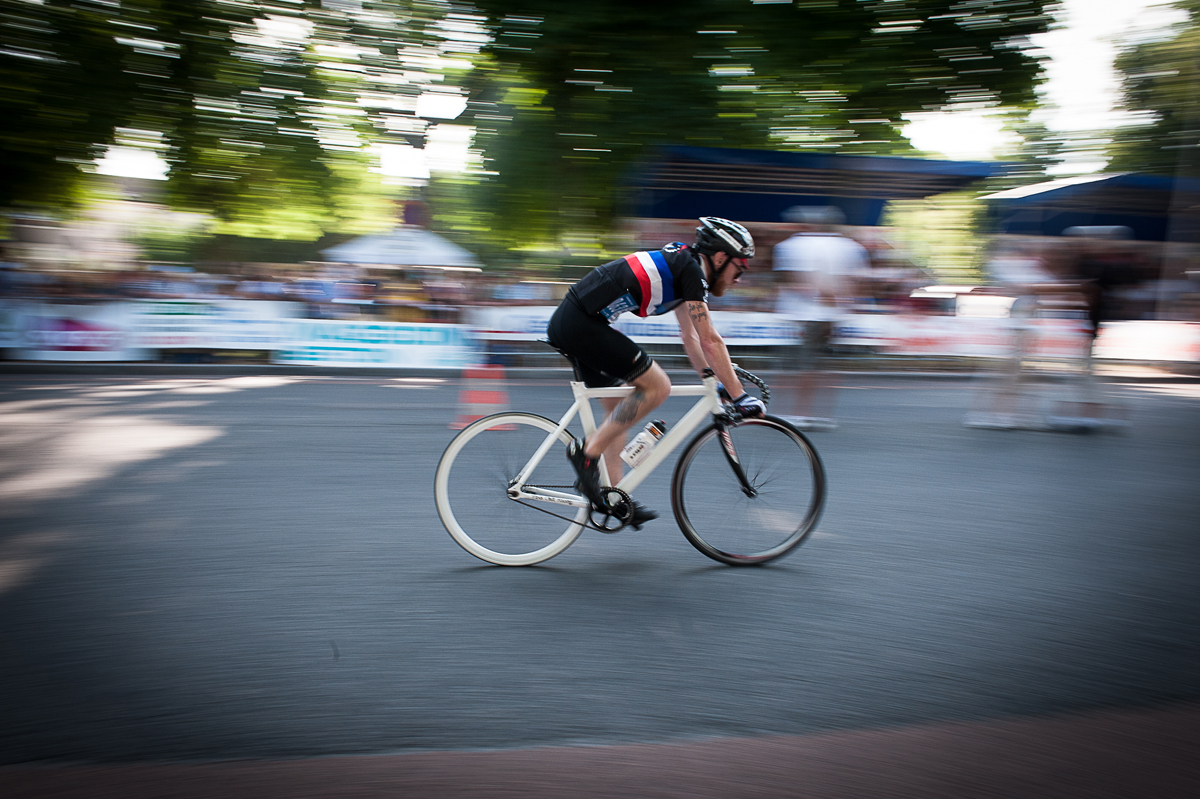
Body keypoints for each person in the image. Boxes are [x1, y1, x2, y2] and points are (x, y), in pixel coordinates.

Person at [546, 216, 766, 526]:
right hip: (579, 323)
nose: (739, 278)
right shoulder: (691, 271)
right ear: (720, 257)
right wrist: (739, 396)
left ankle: (612, 495)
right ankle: (585, 456)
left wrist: (711, 378)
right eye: (739, 268)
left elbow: (691, 337)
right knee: (657, 387)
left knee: (618, 412)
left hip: (579, 321)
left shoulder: (686, 268)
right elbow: (710, 339)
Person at [772, 205, 869, 430]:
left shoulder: (793, 245)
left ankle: (796, 413)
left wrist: (820, 293)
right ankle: (820, 414)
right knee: (822, 364)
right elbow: (858, 280)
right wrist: (842, 299)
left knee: (796, 366)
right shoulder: (849, 246)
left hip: (801, 314)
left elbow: (794, 279)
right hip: (833, 314)